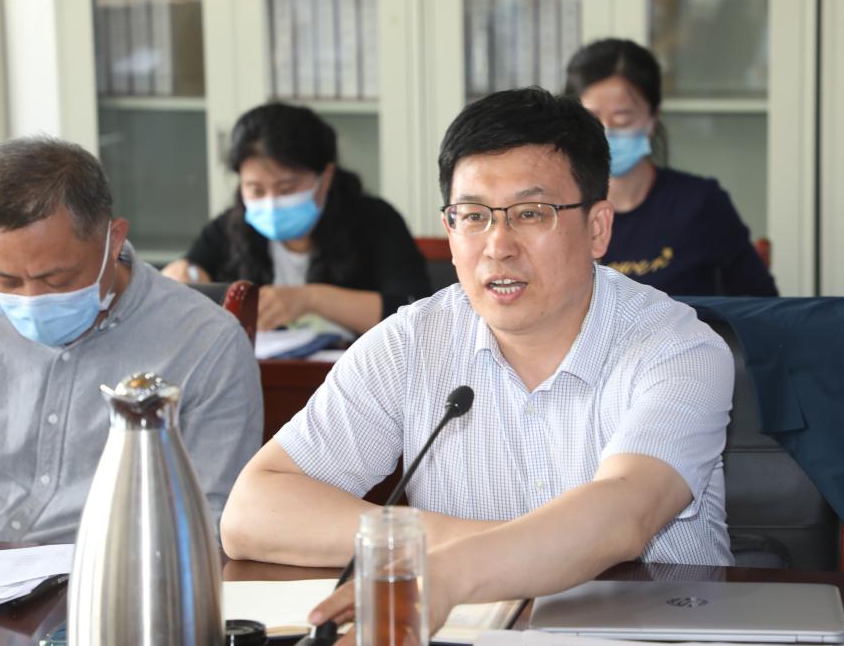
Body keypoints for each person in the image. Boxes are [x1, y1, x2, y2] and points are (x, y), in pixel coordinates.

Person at [220, 88, 735, 632]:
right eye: (473, 216)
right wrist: (457, 549)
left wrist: (452, 572)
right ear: (450, 230)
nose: (498, 246)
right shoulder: (409, 343)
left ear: (597, 228)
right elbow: (251, 512)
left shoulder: (679, 348)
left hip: (648, 633)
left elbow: (622, 517)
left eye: (531, 213)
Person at [0, 136, 262, 542]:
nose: (31, 299)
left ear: (113, 240)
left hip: (114, 568)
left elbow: (211, 518)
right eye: (6, 280)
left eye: (57, 279)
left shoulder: (207, 343)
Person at [162, 102, 431, 336]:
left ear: (325, 178)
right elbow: (187, 276)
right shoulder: (231, 226)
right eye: (256, 190)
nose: (270, 203)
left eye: (286, 189)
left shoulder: (376, 221)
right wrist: (182, 275)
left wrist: (310, 299)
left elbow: (416, 311)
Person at [564, 38, 778, 297]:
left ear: (653, 117)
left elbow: (761, 304)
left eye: (622, 119)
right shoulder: (559, 208)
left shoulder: (700, 204)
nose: (606, 133)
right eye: (592, 120)